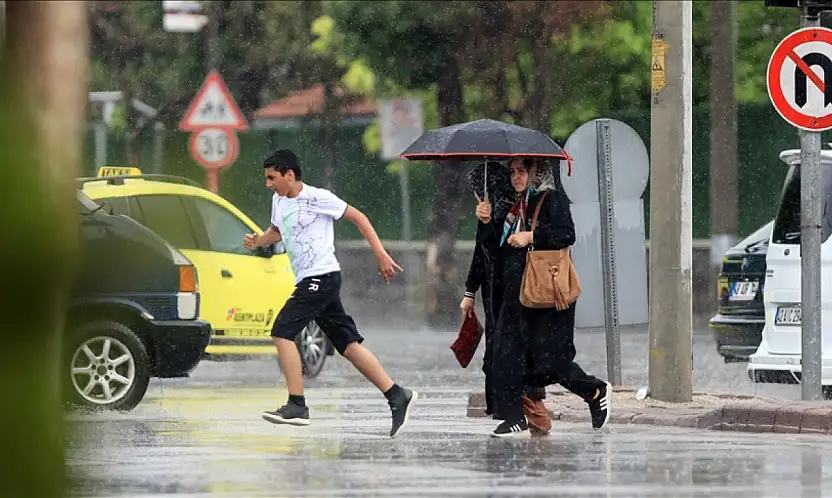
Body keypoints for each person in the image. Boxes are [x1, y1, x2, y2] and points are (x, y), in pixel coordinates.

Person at [244, 149, 418, 438]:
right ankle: (397, 395)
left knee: (282, 331)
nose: (268, 184)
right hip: (312, 279)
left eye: (272, 178)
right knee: (347, 345)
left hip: (321, 276)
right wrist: (260, 240)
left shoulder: (317, 197)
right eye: (266, 179)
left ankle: (297, 405)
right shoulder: (278, 200)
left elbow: (358, 217)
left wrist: (380, 254)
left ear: (290, 174)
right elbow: (278, 230)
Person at [478, 158, 611, 439]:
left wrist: (531, 236)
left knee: (552, 362)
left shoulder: (551, 200)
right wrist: (488, 222)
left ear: (537, 172)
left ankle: (594, 390)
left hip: (547, 297)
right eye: (513, 172)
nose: (516, 177)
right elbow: (494, 249)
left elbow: (566, 235)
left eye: (522, 171)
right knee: (502, 356)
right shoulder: (512, 207)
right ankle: (514, 418)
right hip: (515, 296)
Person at [460, 161, 551, 435]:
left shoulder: (521, 207)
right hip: (496, 292)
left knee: (516, 351)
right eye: (512, 173)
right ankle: (509, 411)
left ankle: (531, 410)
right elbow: (482, 251)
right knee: (499, 351)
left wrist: (498, 224)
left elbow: (504, 249)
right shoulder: (493, 210)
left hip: (521, 289)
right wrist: (469, 292)